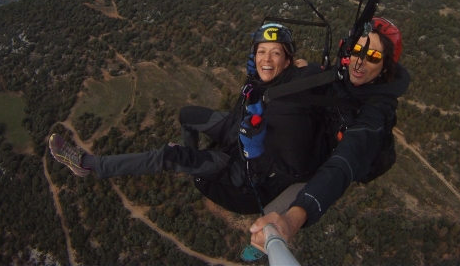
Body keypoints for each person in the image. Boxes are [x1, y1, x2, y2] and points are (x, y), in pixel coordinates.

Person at [49, 23, 334, 215]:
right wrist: (284, 68)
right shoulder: (286, 75)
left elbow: (291, 161)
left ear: (286, 60)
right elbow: (304, 68)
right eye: (261, 52)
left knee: (168, 156)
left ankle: (89, 164)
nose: (266, 59)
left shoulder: (289, 108)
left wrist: (256, 147)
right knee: (187, 115)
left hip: (243, 171)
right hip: (237, 129)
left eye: (275, 54)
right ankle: (194, 154)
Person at [249, 17, 410, 250]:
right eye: (357, 50)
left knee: (274, 211)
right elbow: (332, 79)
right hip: (324, 134)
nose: (360, 61)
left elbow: (346, 160)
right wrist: (301, 72)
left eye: (373, 56)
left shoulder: (376, 112)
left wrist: (294, 219)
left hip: (339, 157)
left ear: (385, 66)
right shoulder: (347, 73)